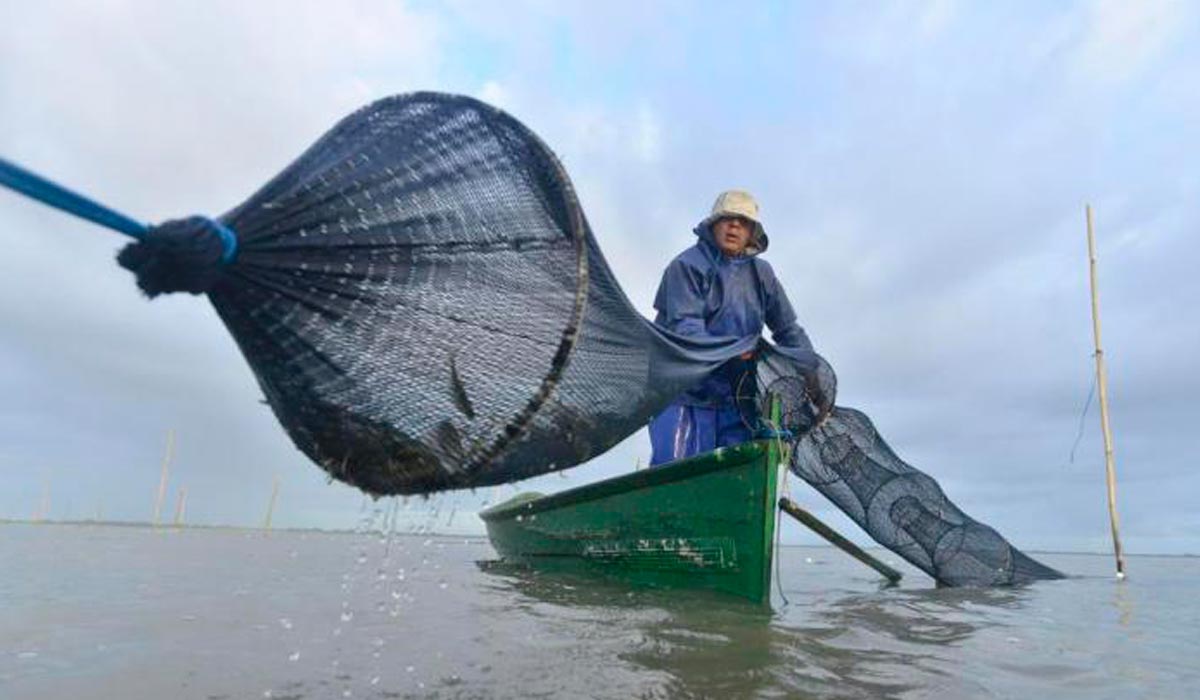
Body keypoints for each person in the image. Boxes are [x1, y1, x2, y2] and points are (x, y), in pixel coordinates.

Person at [649, 190, 816, 465]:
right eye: (727, 218)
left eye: (743, 221)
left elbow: (788, 330)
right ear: (713, 225)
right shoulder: (686, 266)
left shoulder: (762, 274)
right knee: (678, 469)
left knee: (736, 469)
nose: (735, 225)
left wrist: (812, 374)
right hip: (682, 394)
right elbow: (686, 329)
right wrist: (735, 350)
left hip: (736, 398)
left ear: (752, 232)